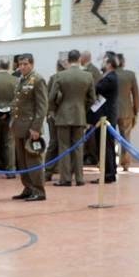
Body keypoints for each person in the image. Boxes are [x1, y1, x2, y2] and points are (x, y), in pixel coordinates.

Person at [49, 50, 96, 187]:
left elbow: (51, 97)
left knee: (64, 147)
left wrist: (55, 110)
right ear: (79, 59)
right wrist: (83, 108)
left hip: (63, 116)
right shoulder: (88, 76)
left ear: (68, 60)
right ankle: (80, 178)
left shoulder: (60, 75)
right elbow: (92, 99)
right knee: (78, 147)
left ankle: (65, 179)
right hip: (80, 116)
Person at [10, 53, 49, 201]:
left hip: (31, 127)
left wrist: (36, 128)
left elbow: (42, 106)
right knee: (22, 161)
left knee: (33, 160)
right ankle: (28, 187)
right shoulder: (21, 79)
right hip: (19, 127)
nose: (22, 67)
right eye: (20, 64)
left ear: (32, 64)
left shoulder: (37, 80)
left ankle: (39, 190)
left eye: (25, 64)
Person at [94, 53, 119, 183]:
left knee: (105, 147)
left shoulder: (110, 78)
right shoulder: (110, 77)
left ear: (109, 64)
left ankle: (108, 175)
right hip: (108, 115)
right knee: (107, 145)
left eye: (104, 61)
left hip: (106, 116)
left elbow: (96, 88)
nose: (102, 63)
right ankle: (111, 171)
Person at [114, 52, 139, 171]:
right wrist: (136, 110)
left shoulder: (109, 75)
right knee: (126, 138)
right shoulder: (130, 75)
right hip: (126, 110)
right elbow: (135, 95)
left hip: (112, 110)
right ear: (123, 62)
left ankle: (111, 162)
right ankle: (125, 163)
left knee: (110, 138)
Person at [44, 59, 65, 182]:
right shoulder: (56, 78)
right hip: (61, 115)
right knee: (61, 144)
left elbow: (48, 97)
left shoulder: (54, 78)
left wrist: (49, 113)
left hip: (54, 115)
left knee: (53, 143)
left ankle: (49, 170)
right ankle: (57, 169)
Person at [79, 50, 102, 165]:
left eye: (80, 58)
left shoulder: (92, 71)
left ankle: (92, 156)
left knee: (91, 133)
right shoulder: (90, 70)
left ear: (84, 58)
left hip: (92, 106)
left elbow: (95, 90)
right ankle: (87, 155)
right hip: (89, 106)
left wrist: (91, 107)